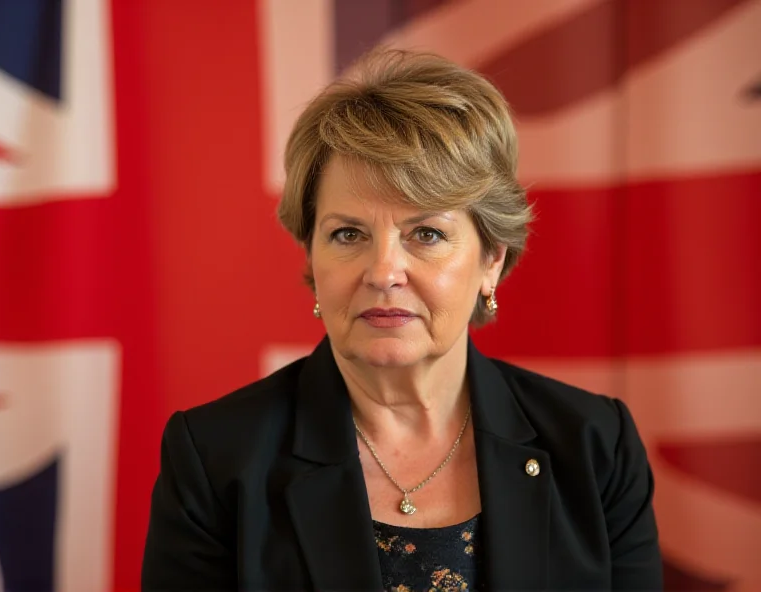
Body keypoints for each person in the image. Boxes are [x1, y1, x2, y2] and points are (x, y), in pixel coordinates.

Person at [141, 49, 662, 591]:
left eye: (427, 234)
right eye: (349, 234)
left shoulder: (596, 445)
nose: (384, 271)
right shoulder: (216, 458)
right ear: (311, 257)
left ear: (492, 259)